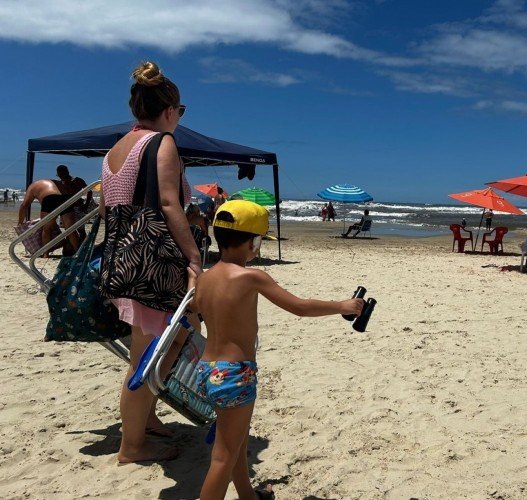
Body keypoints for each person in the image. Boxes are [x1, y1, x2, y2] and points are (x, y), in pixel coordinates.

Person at [191, 200, 363, 499]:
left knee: (237, 444)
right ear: (253, 242)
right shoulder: (250, 276)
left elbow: (195, 310)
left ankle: (249, 496)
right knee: (223, 457)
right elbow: (299, 307)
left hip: (207, 370)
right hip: (235, 375)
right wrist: (342, 306)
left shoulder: (206, 278)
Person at [100, 61, 200, 464]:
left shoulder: (114, 150)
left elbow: (109, 207)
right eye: (181, 111)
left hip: (123, 259)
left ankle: (148, 421)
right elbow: (166, 201)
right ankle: (132, 446)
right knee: (146, 358)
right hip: (152, 265)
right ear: (170, 109)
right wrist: (193, 256)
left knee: (151, 349)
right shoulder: (162, 143)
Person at [17, 178, 79, 257]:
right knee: (71, 229)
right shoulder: (54, 182)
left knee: (46, 229)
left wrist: (20, 222)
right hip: (65, 198)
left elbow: (24, 205)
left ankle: (45, 254)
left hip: (49, 199)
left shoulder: (32, 187)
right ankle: (78, 252)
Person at [55, 164, 93, 242]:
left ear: (67, 172)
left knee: (81, 229)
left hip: (77, 207)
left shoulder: (77, 180)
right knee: (68, 230)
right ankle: (72, 247)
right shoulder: (60, 183)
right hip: (65, 208)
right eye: (59, 175)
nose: (60, 177)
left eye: (61, 175)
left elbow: (89, 191)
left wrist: (86, 204)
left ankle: (83, 247)